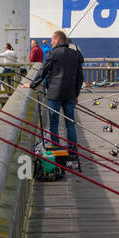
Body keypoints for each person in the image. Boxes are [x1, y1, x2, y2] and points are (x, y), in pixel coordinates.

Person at [29, 30, 85, 164]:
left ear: (58, 40)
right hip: (70, 94)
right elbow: (80, 77)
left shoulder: (52, 54)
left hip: (54, 94)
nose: (51, 42)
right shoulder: (75, 55)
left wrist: (31, 85)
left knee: (53, 123)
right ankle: (72, 152)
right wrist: (76, 94)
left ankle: (56, 151)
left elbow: (43, 72)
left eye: (52, 40)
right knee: (70, 124)